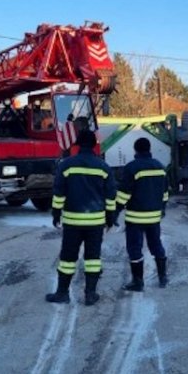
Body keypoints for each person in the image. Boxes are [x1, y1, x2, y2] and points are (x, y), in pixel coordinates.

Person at [46, 129, 116, 306]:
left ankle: (62, 293)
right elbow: (110, 197)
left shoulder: (67, 165)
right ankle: (90, 294)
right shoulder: (104, 167)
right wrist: (110, 218)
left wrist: (56, 214)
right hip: (96, 222)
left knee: (68, 258)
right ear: (94, 145)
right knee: (93, 258)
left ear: (77, 144)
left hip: (72, 222)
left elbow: (59, 192)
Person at [116, 138, 169, 291]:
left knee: (135, 248)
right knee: (156, 245)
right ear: (149, 149)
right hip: (154, 217)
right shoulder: (160, 167)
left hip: (135, 217)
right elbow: (165, 193)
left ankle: (138, 282)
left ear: (135, 150)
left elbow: (124, 194)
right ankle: (163, 277)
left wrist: (115, 212)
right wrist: (162, 209)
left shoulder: (131, 168)